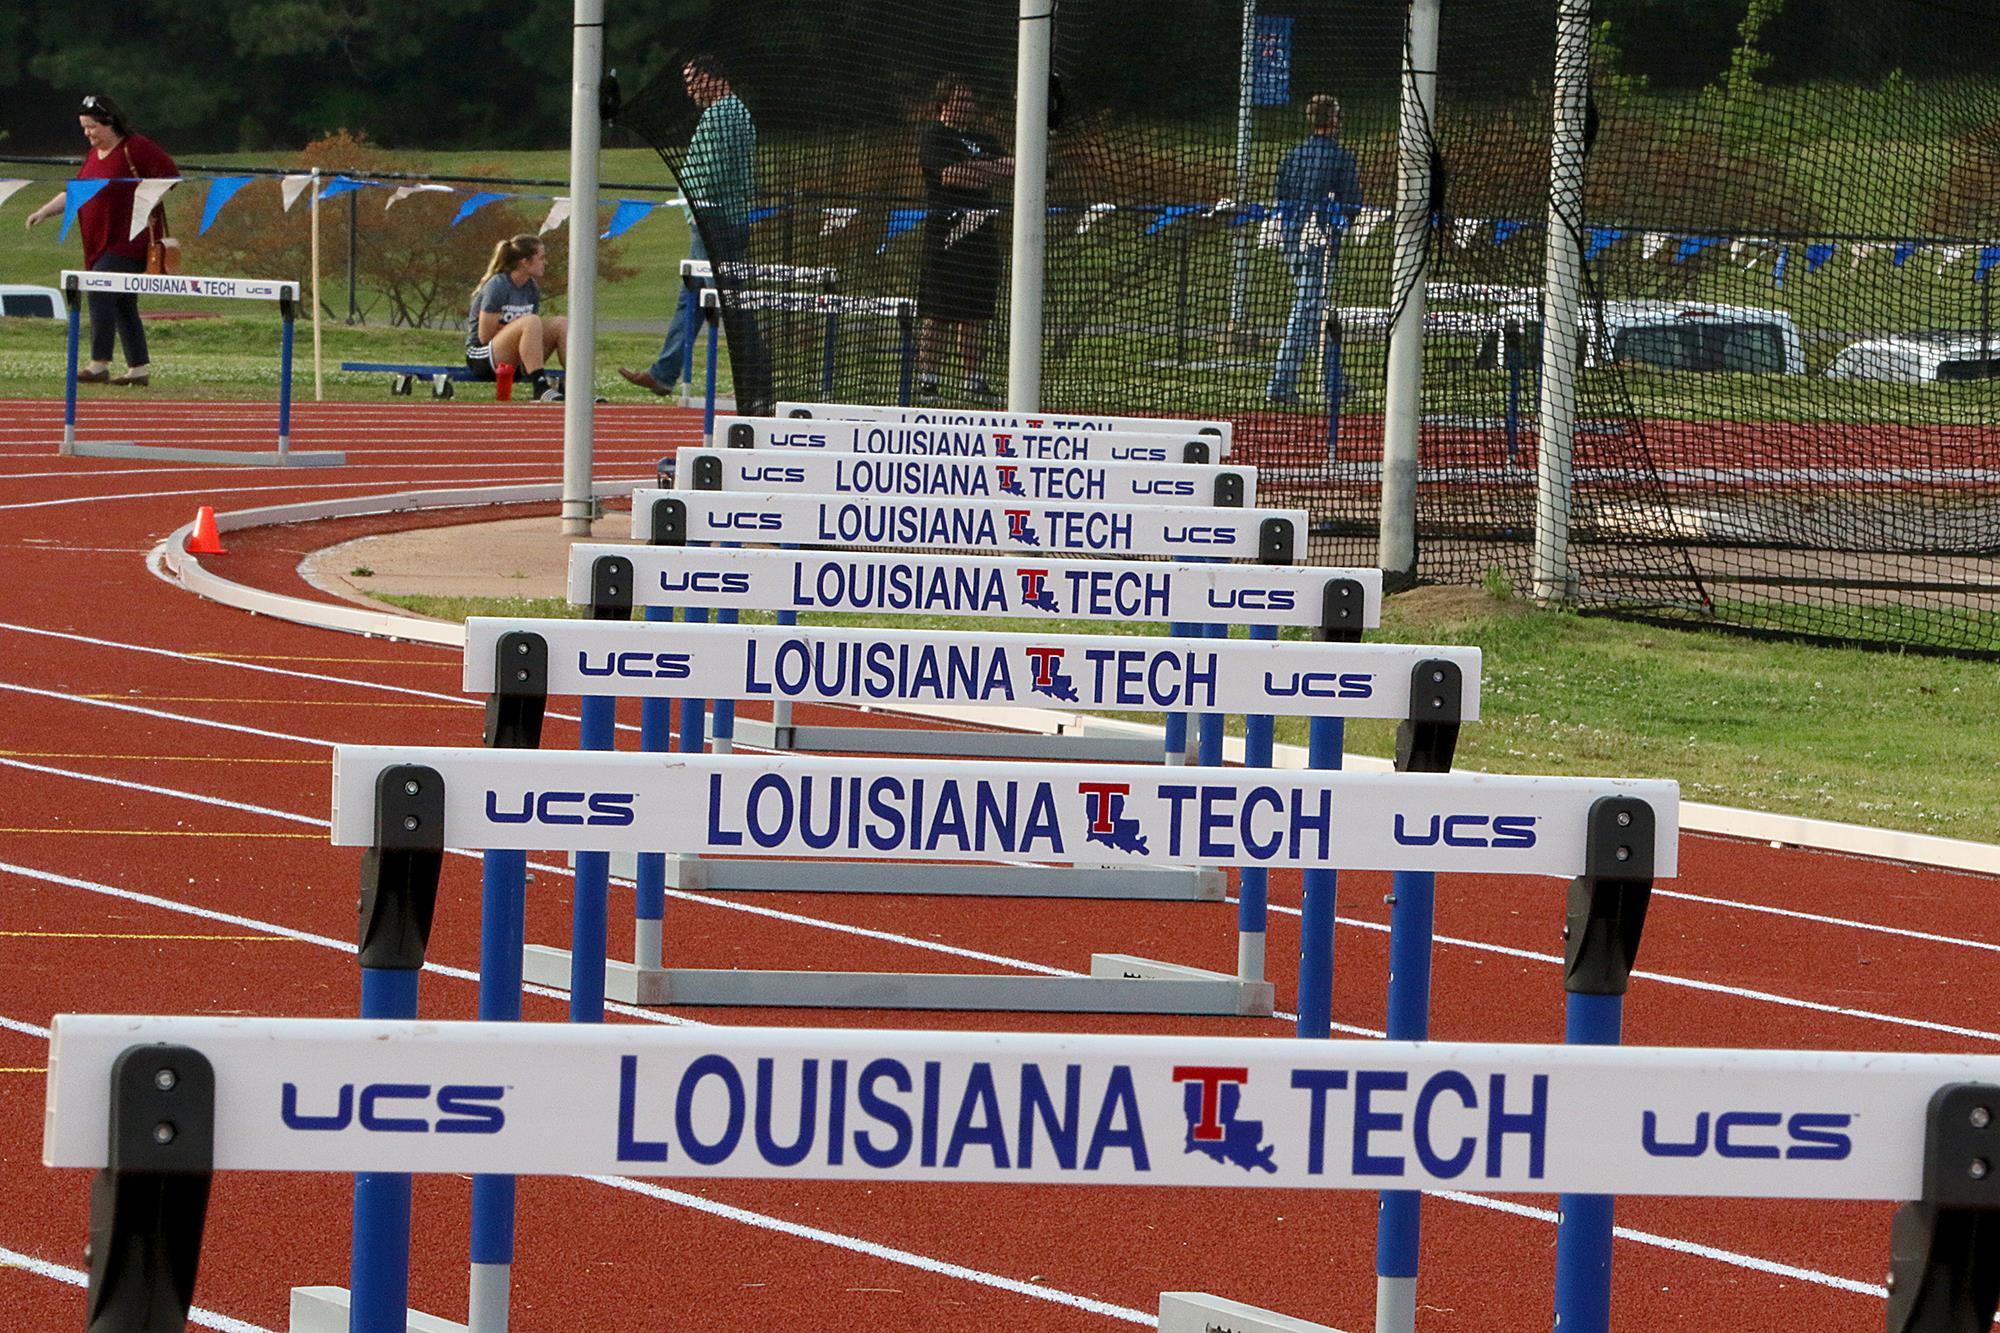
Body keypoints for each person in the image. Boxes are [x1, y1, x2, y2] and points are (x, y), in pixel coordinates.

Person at [619, 53, 766, 409]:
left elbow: (710, 174)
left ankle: (759, 384)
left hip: (715, 221)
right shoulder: (727, 113)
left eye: (691, 81)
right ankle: (665, 372)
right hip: (715, 219)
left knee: (730, 304)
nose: (688, 91)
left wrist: (693, 208)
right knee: (694, 298)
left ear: (710, 78)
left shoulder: (724, 114)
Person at [23, 95, 177, 387]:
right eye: (83, 128)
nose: (87, 134)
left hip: (129, 241)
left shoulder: (136, 147)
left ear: (109, 123)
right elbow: (75, 192)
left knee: (99, 286)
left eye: (92, 127)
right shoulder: (93, 157)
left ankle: (99, 363)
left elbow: (170, 176)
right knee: (122, 303)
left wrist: (144, 199)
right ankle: (138, 368)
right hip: (98, 242)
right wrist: (43, 212)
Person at [915, 77, 1013, 405]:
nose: (969, 106)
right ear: (944, 104)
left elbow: (1013, 167)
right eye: (962, 100)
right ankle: (929, 381)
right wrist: (987, 169)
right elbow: (951, 176)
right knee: (939, 310)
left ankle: (972, 380)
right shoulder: (934, 136)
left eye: (971, 100)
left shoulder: (983, 137)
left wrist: (976, 168)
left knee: (976, 312)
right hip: (945, 236)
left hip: (981, 235)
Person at [1266, 94, 1362, 406]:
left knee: (1315, 308)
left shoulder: (1293, 155)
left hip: (1292, 236)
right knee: (1308, 309)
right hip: (1321, 238)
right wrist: (1339, 223)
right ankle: (1282, 381)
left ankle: (1333, 379)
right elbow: (1352, 203)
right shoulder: (1339, 157)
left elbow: (1281, 195)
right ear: (1334, 119)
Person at [466, 234, 568, 401]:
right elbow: (484, 337)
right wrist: (519, 330)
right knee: (531, 322)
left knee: (561, 324)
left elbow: (530, 333)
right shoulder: (498, 285)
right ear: (524, 261)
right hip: (483, 359)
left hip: (517, 361)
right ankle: (540, 387)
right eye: (541, 258)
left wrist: (521, 333)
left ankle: (577, 388)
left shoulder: (531, 287)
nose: (545, 263)